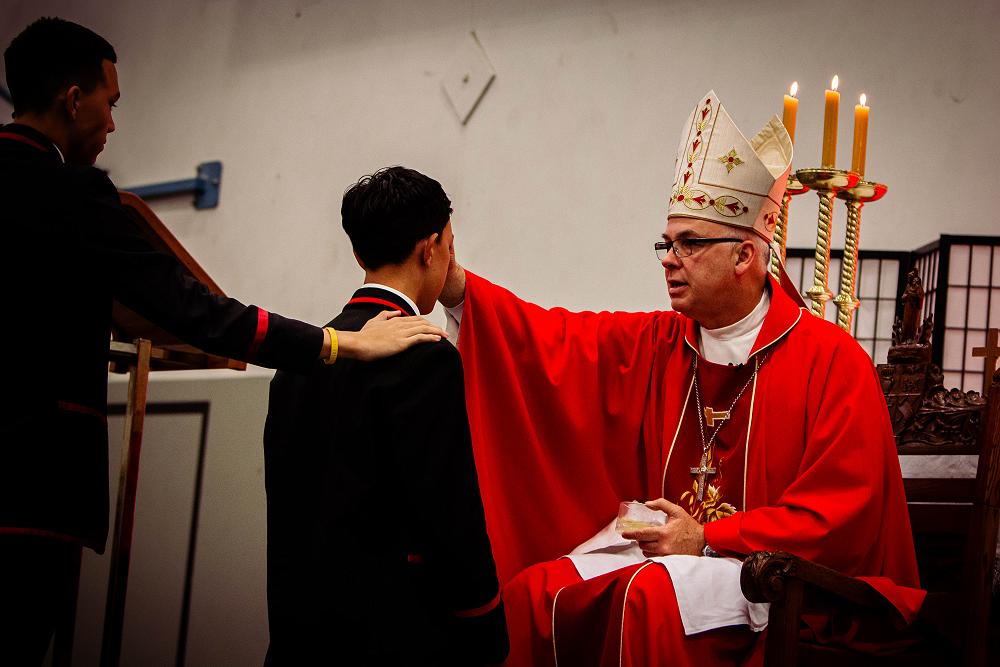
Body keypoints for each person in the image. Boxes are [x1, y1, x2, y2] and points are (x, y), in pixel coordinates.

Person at [0, 18, 445, 665]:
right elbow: (193, 311)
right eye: (110, 103)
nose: (113, 124)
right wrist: (335, 344)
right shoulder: (70, 194)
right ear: (74, 99)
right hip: (28, 481)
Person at [438, 91, 924, 666]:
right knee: (534, 593)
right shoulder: (662, 342)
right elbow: (551, 343)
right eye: (665, 243)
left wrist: (710, 539)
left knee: (647, 599)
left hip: (785, 585)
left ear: (745, 256)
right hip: (678, 563)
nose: (669, 258)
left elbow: (842, 512)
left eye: (689, 243)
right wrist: (454, 285)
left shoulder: (831, 361)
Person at [263, 166, 508, 666]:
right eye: (450, 246)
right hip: (393, 637)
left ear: (359, 255)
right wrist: (486, 626)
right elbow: (449, 518)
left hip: (299, 637)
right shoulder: (425, 359)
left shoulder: (300, 362)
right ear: (431, 249)